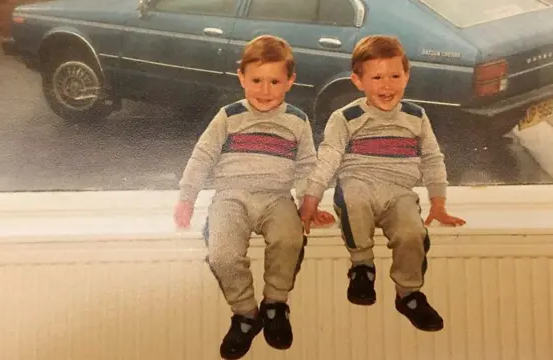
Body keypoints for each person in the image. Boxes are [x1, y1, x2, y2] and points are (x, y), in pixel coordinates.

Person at [173, 35, 335, 359]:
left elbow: (306, 166)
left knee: (290, 238)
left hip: (276, 197)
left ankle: (275, 304)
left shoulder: (297, 121)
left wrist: (309, 203)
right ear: (242, 78)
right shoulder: (229, 116)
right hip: (231, 198)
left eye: (274, 81)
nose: (264, 90)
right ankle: (246, 314)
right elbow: (202, 155)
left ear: (290, 81)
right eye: (256, 80)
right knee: (222, 254)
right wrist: (187, 197)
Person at [298, 35, 466, 332]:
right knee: (355, 200)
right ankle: (362, 267)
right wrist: (309, 201)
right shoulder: (346, 117)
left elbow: (432, 158)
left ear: (407, 76)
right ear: (358, 81)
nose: (386, 85)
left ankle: (409, 294)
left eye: (395, 76)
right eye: (376, 77)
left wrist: (438, 202)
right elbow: (327, 159)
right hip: (357, 182)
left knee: (413, 233)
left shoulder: (416, 116)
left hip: (399, 192)